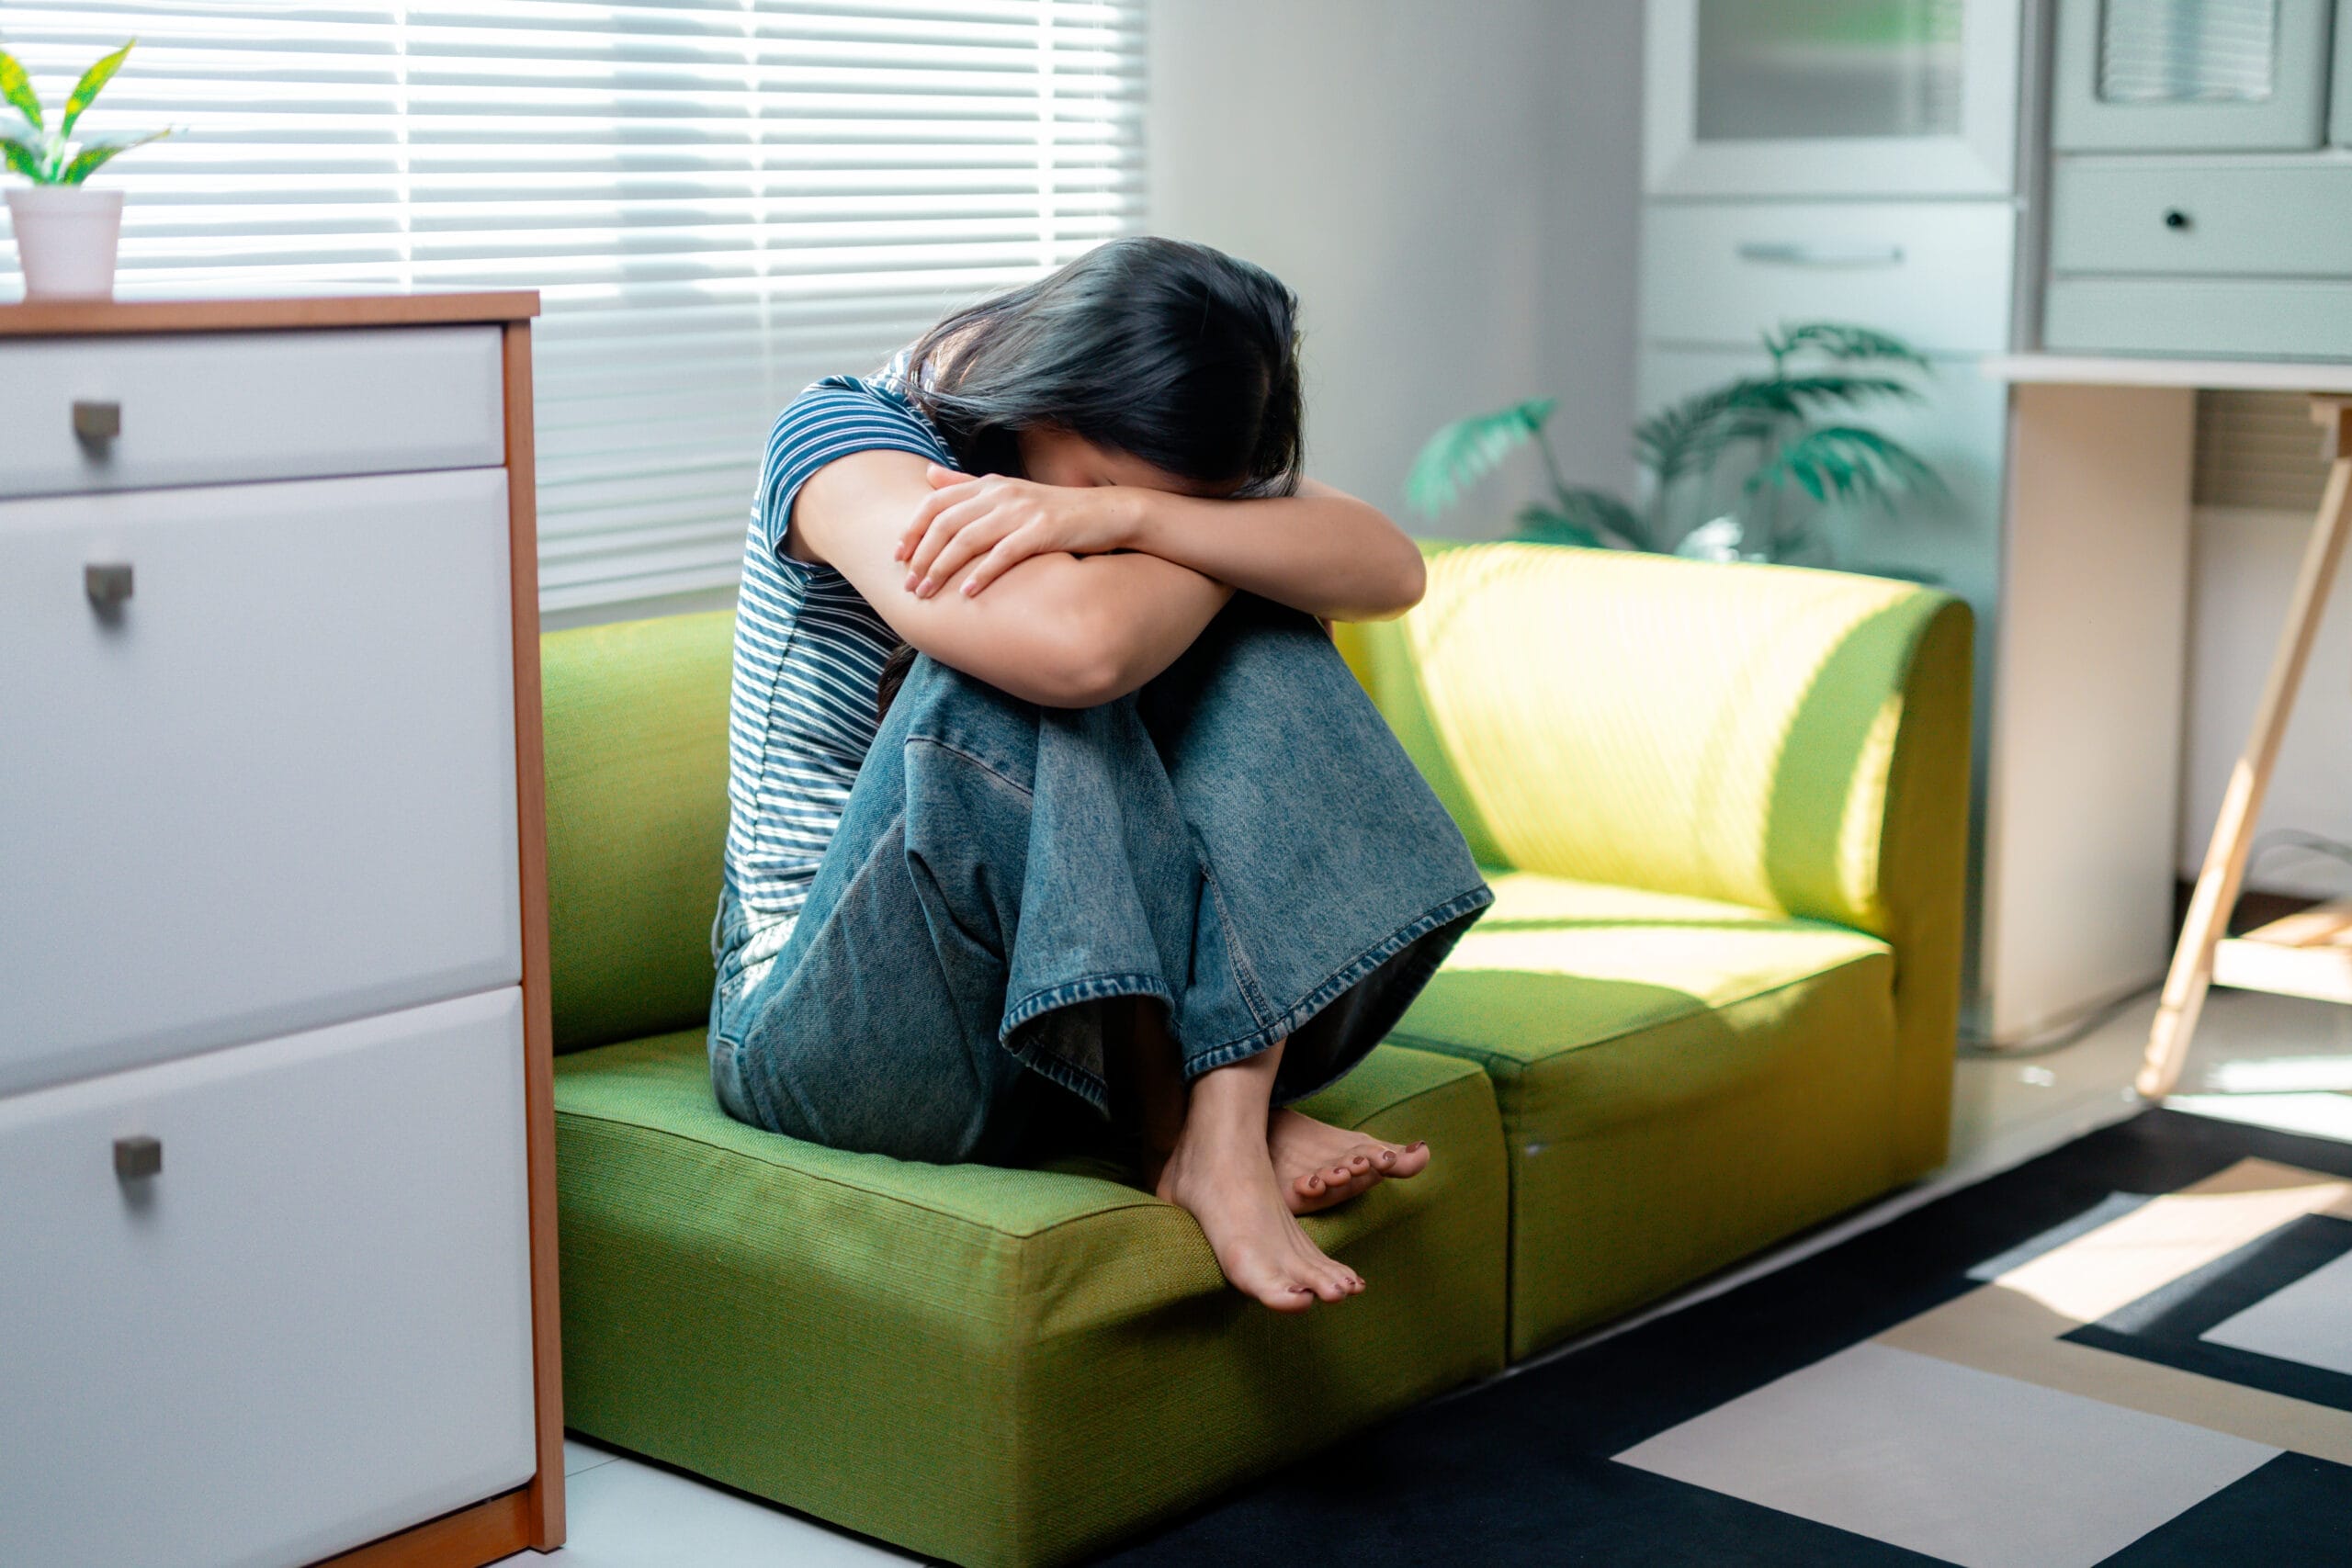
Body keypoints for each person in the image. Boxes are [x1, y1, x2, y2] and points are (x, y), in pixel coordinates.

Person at [709, 235, 1490, 1312]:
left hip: (1040, 1033)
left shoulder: (1125, 466)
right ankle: (1175, 1120)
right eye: (1105, 479)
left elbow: (1389, 570)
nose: (1106, 502)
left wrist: (1126, 515)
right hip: (830, 1035)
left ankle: (1224, 1114)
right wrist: (1218, 544)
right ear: (1050, 395)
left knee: (1246, 616)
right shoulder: (844, 440)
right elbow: (1075, 654)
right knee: (1027, 663)